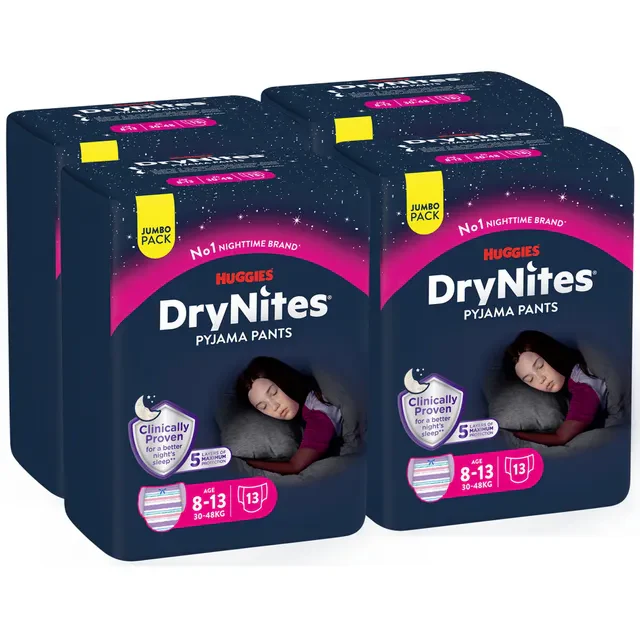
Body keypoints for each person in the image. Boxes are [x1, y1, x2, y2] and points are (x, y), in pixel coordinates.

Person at [236, 356, 342, 474]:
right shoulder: (306, 404)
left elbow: (295, 466)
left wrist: (239, 463)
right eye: (264, 407)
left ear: (285, 380)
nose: (274, 406)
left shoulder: (320, 414)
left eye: (274, 393)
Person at [506, 330, 607, 446]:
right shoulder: (572, 377)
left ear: (552, 354)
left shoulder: (584, 388)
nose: (541, 379)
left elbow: (561, 437)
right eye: (530, 379)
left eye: (540, 366)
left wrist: (512, 435)